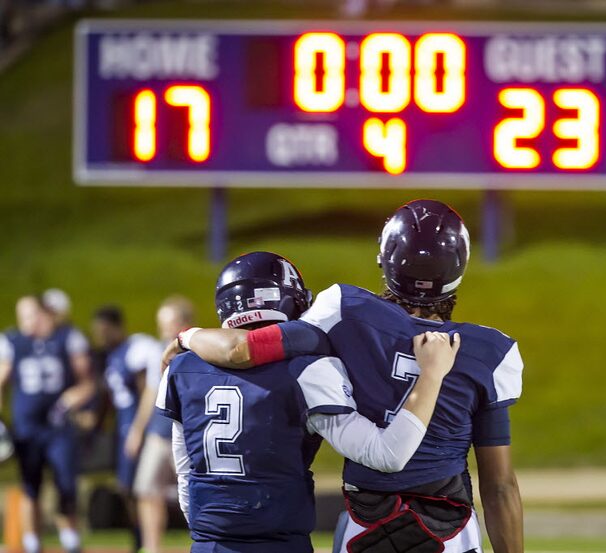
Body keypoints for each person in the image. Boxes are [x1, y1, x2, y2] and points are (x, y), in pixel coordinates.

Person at [163, 200, 525, 553]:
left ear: (385, 257)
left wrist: (186, 337)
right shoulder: (488, 351)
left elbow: (245, 348)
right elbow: (500, 487)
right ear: (460, 265)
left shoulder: (343, 310)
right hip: (448, 532)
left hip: (364, 526)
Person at [157, 251, 459, 552]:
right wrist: (430, 376)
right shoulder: (309, 369)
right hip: (280, 544)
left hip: (208, 544)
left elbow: (185, 472)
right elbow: (386, 454)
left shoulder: (180, 369)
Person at [0, 296, 95, 553]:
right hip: (26, 428)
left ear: (45, 314)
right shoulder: (12, 341)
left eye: (32, 314)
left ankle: (71, 541)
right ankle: (32, 544)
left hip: (58, 426)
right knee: (30, 487)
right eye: (23, 316)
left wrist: (71, 399)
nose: (27, 321)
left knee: (66, 484)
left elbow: (88, 382)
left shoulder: (67, 338)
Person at [91, 306, 162, 553]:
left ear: (118, 327)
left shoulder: (134, 350)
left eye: (106, 330)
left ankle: (143, 540)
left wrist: (138, 429)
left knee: (140, 487)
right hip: (122, 426)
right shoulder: (110, 356)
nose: (102, 335)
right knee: (126, 486)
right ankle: (138, 538)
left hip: (135, 426)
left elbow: (146, 391)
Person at [130, 296, 195, 553]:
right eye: (162, 324)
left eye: (170, 323)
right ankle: (151, 547)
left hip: (186, 435)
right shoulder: (157, 351)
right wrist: (137, 430)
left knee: (196, 494)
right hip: (158, 433)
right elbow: (150, 392)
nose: (164, 330)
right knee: (146, 491)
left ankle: (205, 543)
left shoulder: (198, 350)